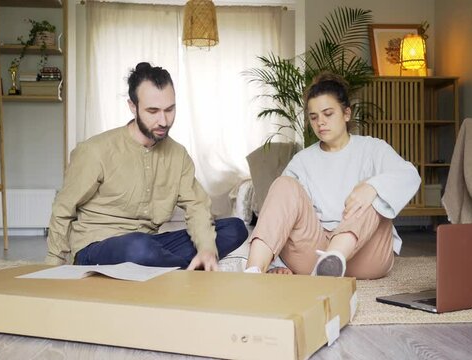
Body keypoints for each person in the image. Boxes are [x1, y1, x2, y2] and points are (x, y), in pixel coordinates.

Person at [46, 62, 248, 270]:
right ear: (133, 107)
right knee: (138, 247)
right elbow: (64, 208)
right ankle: (181, 271)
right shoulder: (95, 150)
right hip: (97, 248)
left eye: (170, 109)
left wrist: (206, 249)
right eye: (153, 111)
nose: (163, 120)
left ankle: (164, 265)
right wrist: (55, 264)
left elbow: (197, 206)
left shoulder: (178, 155)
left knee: (234, 228)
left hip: (149, 243)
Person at [244, 72, 421, 279]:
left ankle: (334, 259)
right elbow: (280, 213)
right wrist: (277, 263)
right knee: (284, 184)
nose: (321, 122)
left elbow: (410, 175)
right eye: (314, 117)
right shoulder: (302, 160)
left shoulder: (373, 148)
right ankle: (253, 272)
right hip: (313, 252)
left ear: (346, 114)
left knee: (371, 195)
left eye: (328, 114)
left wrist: (371, 187)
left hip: (366, 255)